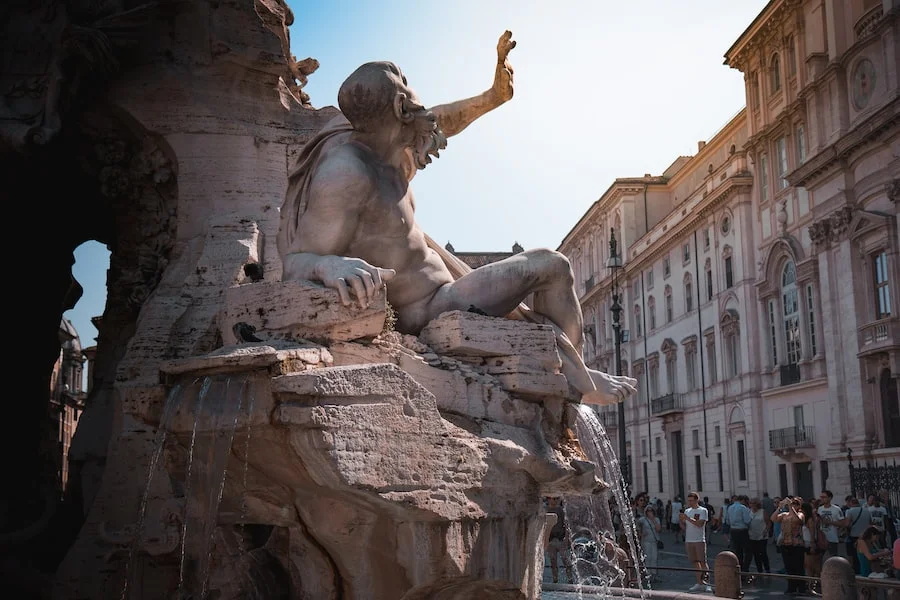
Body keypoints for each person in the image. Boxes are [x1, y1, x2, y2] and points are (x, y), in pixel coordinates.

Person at [275, 30, 638, 408]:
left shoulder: (390, 153)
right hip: (429, 308)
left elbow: (439, 122)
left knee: (551, 267)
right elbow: (296, 263)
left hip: (445, 291)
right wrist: (328, 265)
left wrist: (492, 97)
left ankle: (568, 373)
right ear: (401, 107)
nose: (419, 96)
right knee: (552, 264)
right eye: (407, 81)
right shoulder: (348, 172)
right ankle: (575, 383)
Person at [772, 496, 807, 594]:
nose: (794, 504)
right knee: (789, 567)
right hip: (785, 543)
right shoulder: (784, 515)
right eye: (793, 503)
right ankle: (791, 587)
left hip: (797, 544)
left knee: (798, 567)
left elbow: (797, 520)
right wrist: (779, 507)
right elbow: (773, 519)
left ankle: (801, 587)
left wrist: (791, 507)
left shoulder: (801, 514)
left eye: (796, 503)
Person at [680, 492, 712, 593]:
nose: (689, 502)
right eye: (688, 500)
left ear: (696, 500)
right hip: (689, 539)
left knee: (703, 561)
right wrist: (681, 520)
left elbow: (699, 524)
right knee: (694, 562)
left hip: (699, 540)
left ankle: (707, 583)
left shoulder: (703, 510)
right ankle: (699, 582)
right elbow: (685, 526)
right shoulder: (687, 511)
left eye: (691, 500)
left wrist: (688, 518)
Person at [545, 497, 574, 584]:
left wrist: (566, 538)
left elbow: (566, 525)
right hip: (550, 539)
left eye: (555, 499)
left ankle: (570, 580)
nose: (553, 501)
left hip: (560, 538)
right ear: (548, 500)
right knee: (553, 561)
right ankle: (555, 580)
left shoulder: (561, 510)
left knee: (566, 561)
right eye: (552, 499)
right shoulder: (545, 510)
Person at [840, 496, 872, 574]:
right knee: (864, 556)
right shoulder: (867, 511)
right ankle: (864, 571)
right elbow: (870, 523)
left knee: (853, 556)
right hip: (865, 537)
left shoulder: (849, 511)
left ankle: (855, 571)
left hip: (853, 537)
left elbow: (847, 524)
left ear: (851, 503)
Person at [726, 494, 752, 579]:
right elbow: (747, 520)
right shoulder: (743, 508)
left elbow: (728, 521)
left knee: (738, 551)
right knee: (748, 551)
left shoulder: (730, 508)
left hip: (733, 531)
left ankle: (739, 568)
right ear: (743, 500)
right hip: (742, 531)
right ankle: (745, 569)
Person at [802, 501, 824, 595]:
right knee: (809, 565)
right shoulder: (807, 519)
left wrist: (812, 544)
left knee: (812, 566)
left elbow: (812, 533)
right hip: (806, 544)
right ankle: (813, 583)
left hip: (810, 544)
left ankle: (813, 584)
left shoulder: (810, 520)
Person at [637, 506, 662, 583]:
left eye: (651, 511)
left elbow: (659, 529)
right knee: (648, 558)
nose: (650, 512)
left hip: (654, 540)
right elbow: (636, 527)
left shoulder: (657, 519)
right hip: (646, 541)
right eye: (648, 511)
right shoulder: (643, 520)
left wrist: (653, 520)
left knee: (654, 557)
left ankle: (654, 574)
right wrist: (641, 534)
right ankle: (648, 574)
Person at [816, 489, 844, 558]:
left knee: (833, 559)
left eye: (824, 497)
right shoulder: (820, 509)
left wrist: (829, 522)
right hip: (821, 539)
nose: (822, 499)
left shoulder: (836, 509)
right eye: (821, 497)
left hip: (832, 538)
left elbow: (842, 523)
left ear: (830, 498)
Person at [748, 497, 771, 576]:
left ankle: (767, 569)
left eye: (754, 503)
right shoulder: (749, 512)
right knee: (756, 553)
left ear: (757, 504)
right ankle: (759, 570)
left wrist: (766, 530)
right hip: (752, 535)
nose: (752, 505)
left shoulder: (763, 512)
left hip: (762, 535)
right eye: (751, 503)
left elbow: (768, 522)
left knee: (763, 552)